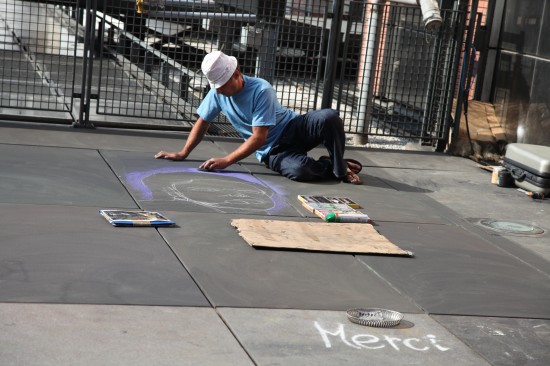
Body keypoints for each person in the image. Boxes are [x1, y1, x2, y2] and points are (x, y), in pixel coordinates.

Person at [155, 50, 362, 184]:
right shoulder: (216, 94)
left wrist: (226, 160)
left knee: (329, 117)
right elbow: (202, 122)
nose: (219, 91)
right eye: (216, 87)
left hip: (293, 127)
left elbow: (258, 136)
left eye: (222, 86)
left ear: (236, 73)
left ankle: (339, 169)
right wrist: (183, 152)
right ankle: (330, 164)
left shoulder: (261, 89)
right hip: (272, 150)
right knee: (301, 171)